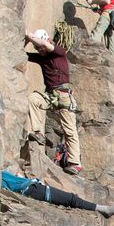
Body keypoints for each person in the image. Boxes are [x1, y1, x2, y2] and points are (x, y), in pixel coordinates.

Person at [25, 29, 82, 175]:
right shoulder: (42, 57)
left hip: (64, 95)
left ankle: (75, 163)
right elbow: (22, 53)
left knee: (69, 130)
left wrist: (30, 36)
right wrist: (27, 40)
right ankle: (38, 132)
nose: (40, 50)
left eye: (41, 47)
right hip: (51, 95)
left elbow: (45, 45)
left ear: (48, 41)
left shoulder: (58, 52)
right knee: (34, 99)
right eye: (38, 49)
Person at [0, 171, 114, 216]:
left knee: (71, 199)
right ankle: (104, 209)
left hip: (34, 187)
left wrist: (19, 178)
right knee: (71, 199)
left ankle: (104, 210)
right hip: (34, 190)